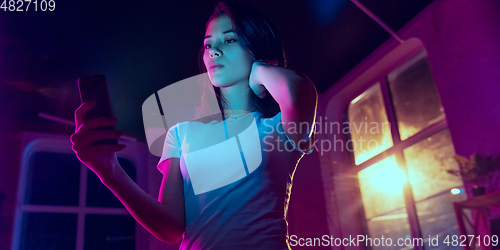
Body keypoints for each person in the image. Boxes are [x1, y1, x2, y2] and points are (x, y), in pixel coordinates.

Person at [71, 2, 317, 249]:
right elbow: (171, 228)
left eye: (229, 40)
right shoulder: (180, 133)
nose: (213, 51)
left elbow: (300, 91)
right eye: (208, 44)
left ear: (258, 48)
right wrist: (110, 172)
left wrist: (261, 69)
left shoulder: (278, 129)